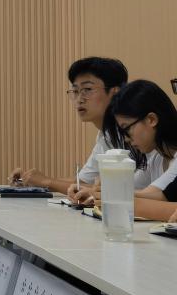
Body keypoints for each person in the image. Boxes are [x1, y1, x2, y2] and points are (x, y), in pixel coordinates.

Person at [8, 57, 153, 203]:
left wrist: (47, 182)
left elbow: (129, 190)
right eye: (75, 91)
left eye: (87, 89)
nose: (79, 99)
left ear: (115, 93)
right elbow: (82, 181)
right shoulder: (106, 135)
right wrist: (32, 181)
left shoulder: (136, 132)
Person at [99, 80, 177, 211]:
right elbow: (132, 189)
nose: (126, 139)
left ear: (151, 119)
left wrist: (105, 193)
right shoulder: (157, 157)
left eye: (126, 129)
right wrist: (94, 190)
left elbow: (153, 197)